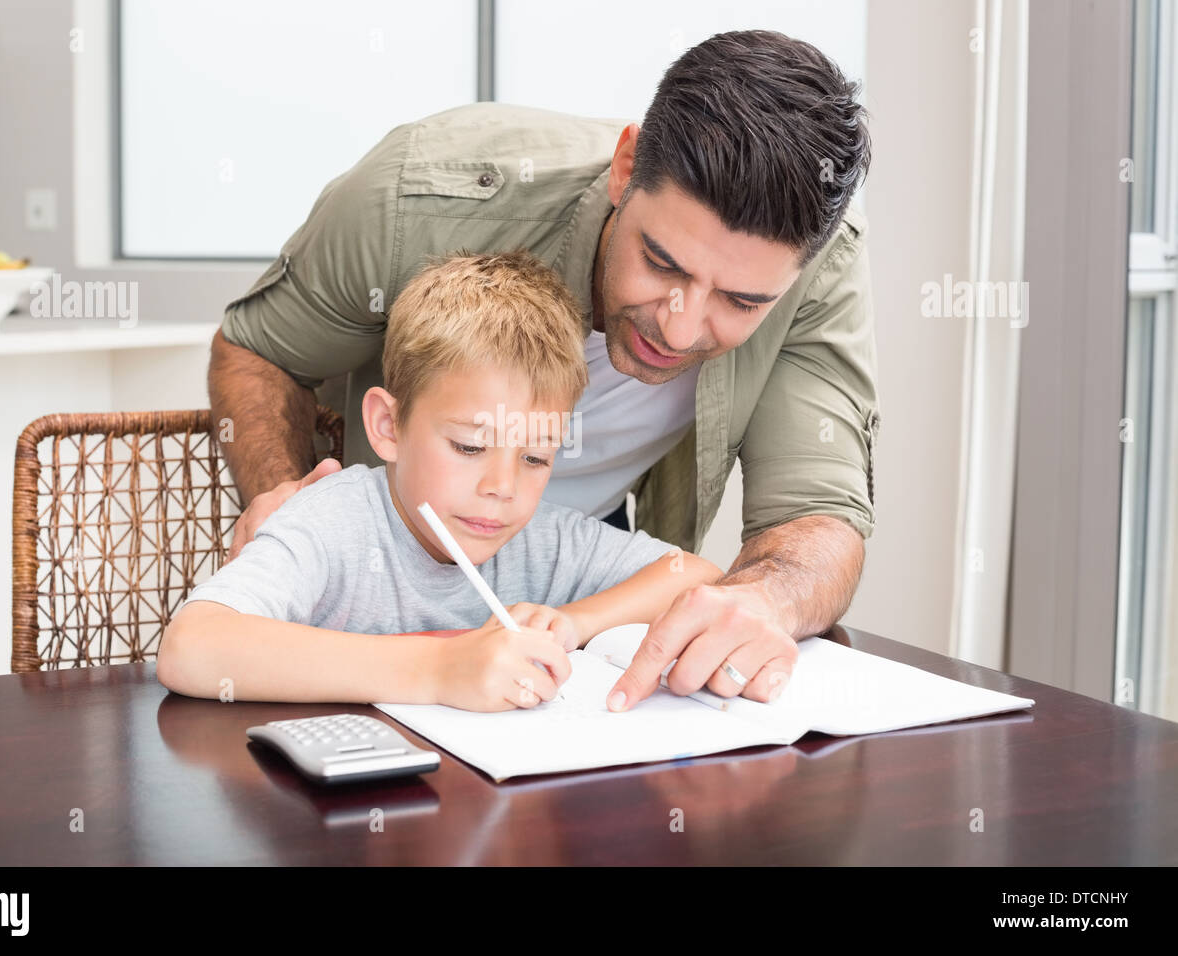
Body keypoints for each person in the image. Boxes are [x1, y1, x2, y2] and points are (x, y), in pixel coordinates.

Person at [208, 30, 880, 714]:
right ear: (625, 169)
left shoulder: (818, 268)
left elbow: (816, 516)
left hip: (570, 586)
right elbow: (259, 349)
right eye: (662, 263)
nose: (677, 330)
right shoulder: (413, 197)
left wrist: (761, 600)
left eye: (740, 302)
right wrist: (284, 495)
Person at [159, 251, 723, 712]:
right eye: (470, 447)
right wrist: (439, 671)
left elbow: (696, 577)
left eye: (535, 458)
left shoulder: (538, 538)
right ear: (388, 427)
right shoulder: (331, 524)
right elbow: (192, 645)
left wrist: (574, 623)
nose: (503, 487)